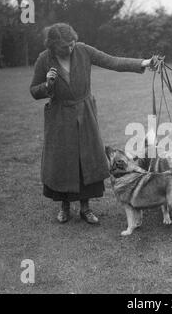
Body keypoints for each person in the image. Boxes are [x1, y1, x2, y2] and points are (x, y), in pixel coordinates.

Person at [30, 23, 153, 225]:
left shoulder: (83, 50)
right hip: (59, 117)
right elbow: (34, 91)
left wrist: (144, 62)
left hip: (85, 113)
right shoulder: (44, 59)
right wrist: (47, 85)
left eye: (72, 44)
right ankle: (65, 207)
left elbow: (112, 61)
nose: (70, 49)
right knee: (63, 162)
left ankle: (86, 208)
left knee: (86, 160)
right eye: (65, 47)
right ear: (53, 46)